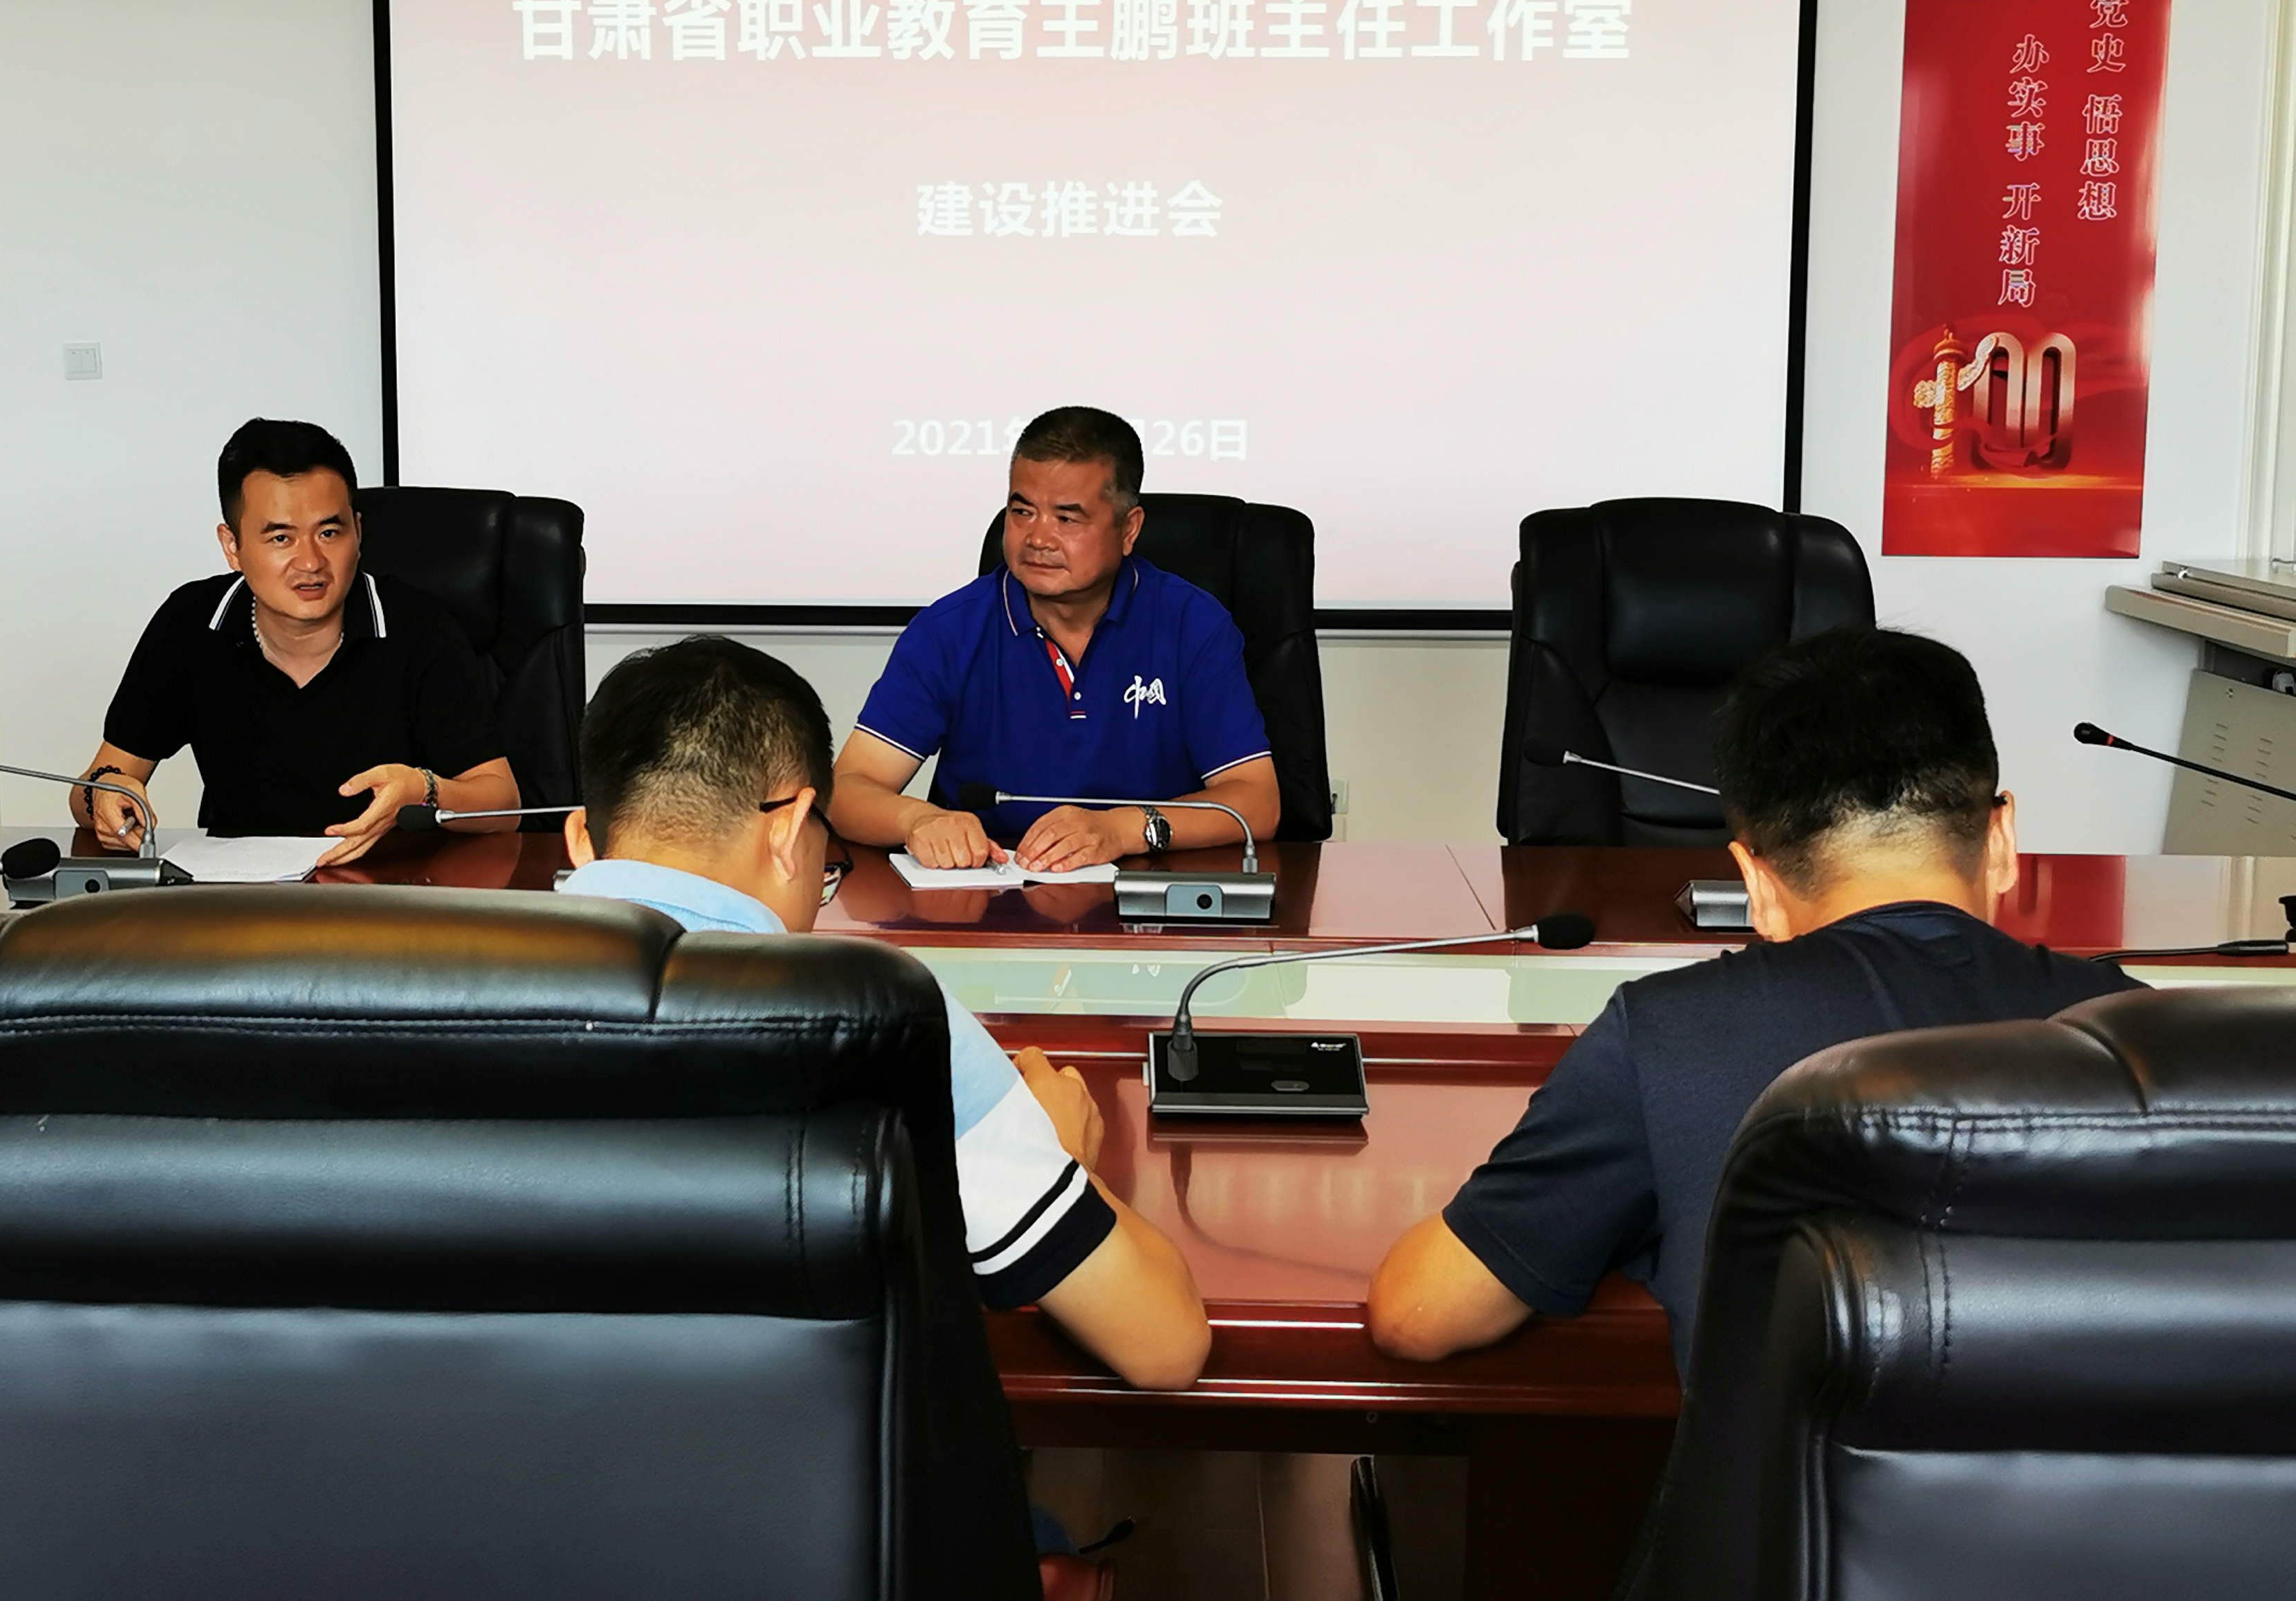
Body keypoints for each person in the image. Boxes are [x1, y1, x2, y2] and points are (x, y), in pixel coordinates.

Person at [1365, 627, 2141, 1379]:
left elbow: (1417, 1318)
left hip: (1803, 1481)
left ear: (1754, 882)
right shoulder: (2149, 1039)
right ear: (2002, 840)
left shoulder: (1667, 1035)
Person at [559, 634, 1212, 1393]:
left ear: (581, 838)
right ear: (789, 828)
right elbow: (1164, 1346)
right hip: (801, 1466)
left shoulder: (453, 988)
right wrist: (1064, 1163)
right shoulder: (888, 1018)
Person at [831, 405, 1279, 873]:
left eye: (1067, 519)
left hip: (1147, 893)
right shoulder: (949, 631)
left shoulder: (1192, 625)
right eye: (1022, 512)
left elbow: (1257, 801)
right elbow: (845, 789)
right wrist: (917, 819)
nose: (1038, 538)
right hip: (986, 892)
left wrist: (1119, 829)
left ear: (1129, 529)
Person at [71, 418, 519, 863]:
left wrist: (423, 790)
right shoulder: (190, 623)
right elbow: (90, 788)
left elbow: (503, 804)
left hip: (390, 887)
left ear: (358, 532)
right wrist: (105, 797)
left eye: (329, 533)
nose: (310, 562)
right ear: (232, 546)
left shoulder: (420, 629)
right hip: (239, 891)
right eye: (281, 537)